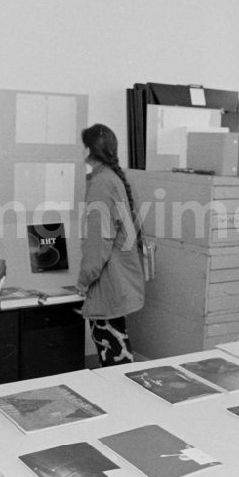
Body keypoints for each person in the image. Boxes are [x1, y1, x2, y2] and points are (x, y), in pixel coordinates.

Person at [75, 123, 146, 366]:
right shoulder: (114, 178)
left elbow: (99, 242)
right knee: (118, 354)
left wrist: (83, 281)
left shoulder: (101, 184)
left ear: (87, 151)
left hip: (107, 282)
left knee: (114, 360)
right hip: (120, 280)